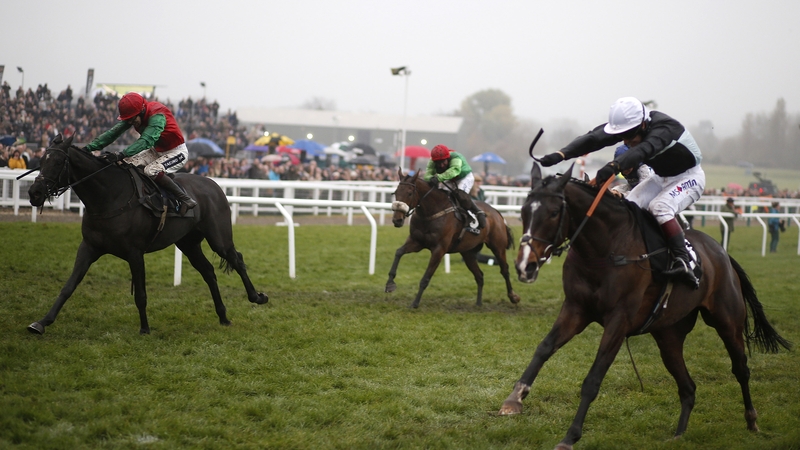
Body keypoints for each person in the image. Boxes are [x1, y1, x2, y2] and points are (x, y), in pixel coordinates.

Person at [539, 97, 705, 287]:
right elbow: (594, 138)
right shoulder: (633, 126)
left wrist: (613, 166)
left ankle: (684, 260)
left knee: (659, 207)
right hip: (660, 178)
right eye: (623, 137)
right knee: (628, 207)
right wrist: (560, 154)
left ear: (643, 125)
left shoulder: (665, 129)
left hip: (689, 178)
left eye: (629, 137)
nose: (626, 141)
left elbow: (642, 150)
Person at [84, 92, 196, 214]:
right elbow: (112, 133)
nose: (131, 123)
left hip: (177, 152)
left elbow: (146, 141)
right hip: (156, 151)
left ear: (141, 111)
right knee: (125, 163)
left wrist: (122, 153)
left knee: (151, 171)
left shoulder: (157, 116)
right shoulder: (135, 114)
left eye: (132, 119)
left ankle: (185, 199)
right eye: (128, 120)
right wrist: (88, 148)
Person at [423, 144, 486, 229]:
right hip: (450, 178)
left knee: (460, 195)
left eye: (443, 162)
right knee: (443, 195)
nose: (441, 165)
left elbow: (454, 171)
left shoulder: (456, 157)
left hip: (464, 177)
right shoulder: (432, 162)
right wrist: (431, 179)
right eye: (438, 163)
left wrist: (438, 178)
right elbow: (427, 174)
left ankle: (476, 213)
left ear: (448, 158)